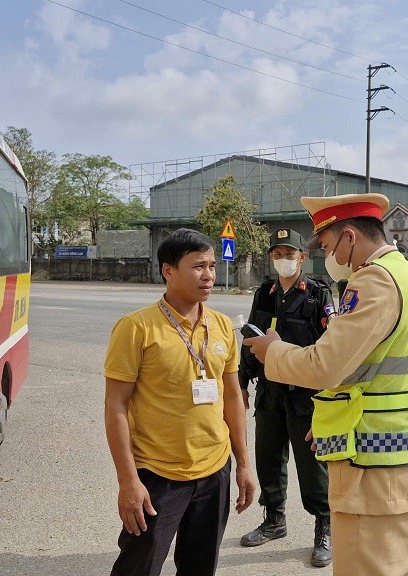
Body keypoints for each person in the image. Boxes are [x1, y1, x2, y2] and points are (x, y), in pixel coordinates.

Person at [245, 193, 408, 576]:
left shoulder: (374, 280)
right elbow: (368, 368)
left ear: (349, 236)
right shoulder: (407, 276)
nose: (328, 256)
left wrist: (274, 351)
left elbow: (326, 366)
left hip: (375, 469)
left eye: (329, 245)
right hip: (402, 460)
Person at [104, 228, 255, 576]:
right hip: (158, 474)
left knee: (200, 567)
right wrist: (128, 481)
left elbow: (232, 396)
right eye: (198, 266)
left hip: (215, 470)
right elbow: (115, 407)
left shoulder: (219, 325)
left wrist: (243, 463)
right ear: (168, 271)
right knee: (138, 567)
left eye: (213, 266)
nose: (209, 275)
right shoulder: (136, 328)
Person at [238, 228, 336, 567]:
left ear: (302, 257)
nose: (283, 260)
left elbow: (330, 347)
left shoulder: (318, 295)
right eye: (277, 254)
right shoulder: (263, 293)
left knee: (313, 467)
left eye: (289, 254)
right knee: (268, 458)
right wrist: (241, 381)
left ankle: (324, 529)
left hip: (304, 395)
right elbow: (250, 336)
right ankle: (274, 521)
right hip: (269, 392)